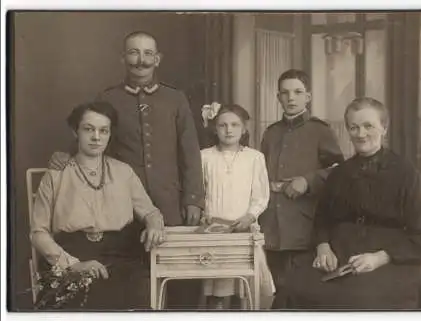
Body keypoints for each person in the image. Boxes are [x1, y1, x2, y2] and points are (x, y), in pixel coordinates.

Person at [49, 31, 204, 308]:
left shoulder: (175, 99)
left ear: (157, 59)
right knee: (132, 279)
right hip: (121, 204)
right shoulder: (109, 97)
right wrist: (65, 154)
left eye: (147, 54)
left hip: (171, 202)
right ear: (123, 58)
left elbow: (190, 152)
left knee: (180, 277)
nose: (140, 60)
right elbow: (94, 135)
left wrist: (193, 199)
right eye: (133, 53)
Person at [279, 97, 421, 309]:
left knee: (358, 300)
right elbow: (322, 219)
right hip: (340, 254)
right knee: (290, 289)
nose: (361, 134)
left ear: (384, 128)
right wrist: (323, 248)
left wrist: (380, 258)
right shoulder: (340, 173)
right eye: (354, 127)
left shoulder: (406, 174)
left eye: (368, 126)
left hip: (390, 260)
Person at [30, 101, 164, 310]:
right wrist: (72, 265)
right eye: (88, 129)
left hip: (120, 258)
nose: (96, 137)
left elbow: (151, 212)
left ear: (110, 134)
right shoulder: (56, 175)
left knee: (136, 299)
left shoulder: (123, 172)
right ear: (75, 131)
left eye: (104, 131)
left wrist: (154, 224)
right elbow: (38, 233)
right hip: (72, 256)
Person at [258, 69, 344, 307]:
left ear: (308, 97)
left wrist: (308, 181)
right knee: (274, 290)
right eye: (285, 93)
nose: (291, 98)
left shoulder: (320, 131)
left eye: (297, 92)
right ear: (278, 97)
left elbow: (339, 171)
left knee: (298, 293)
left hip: (304, 225)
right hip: (271, 225)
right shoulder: (271, 133)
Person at [199, 103, 270, 309]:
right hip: (214, 232)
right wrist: (205, 215)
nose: (229, 130)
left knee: (244, 289)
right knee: (217, 290)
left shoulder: (255, 158)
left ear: (244, 128)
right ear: (215, 128)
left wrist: (250, 216)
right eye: (222, 125)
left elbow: (261, 195)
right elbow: (199, 193)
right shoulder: (204, 156)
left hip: (243, 230)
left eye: (234, 125)